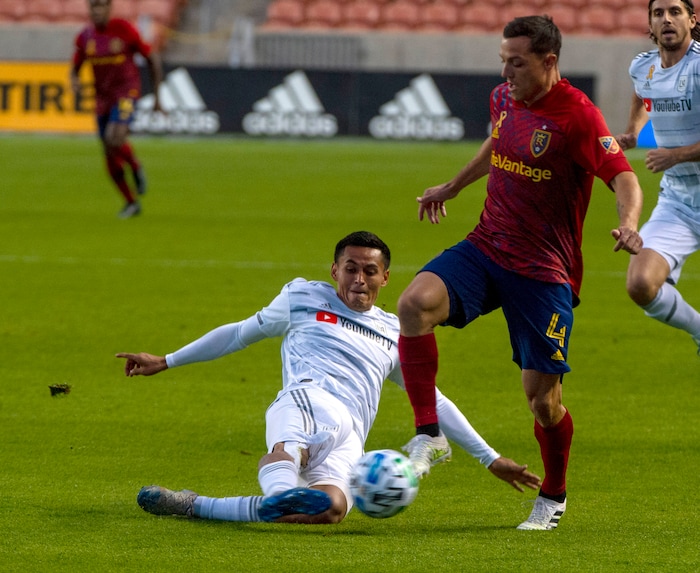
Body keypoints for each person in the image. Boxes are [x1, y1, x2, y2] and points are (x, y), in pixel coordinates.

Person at [395, 16, 645, 531]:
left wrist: (627, 223)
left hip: (542, 271)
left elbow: (623, 176)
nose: (506, 71)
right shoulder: (504, 98)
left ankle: (553, 497)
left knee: (543, 402)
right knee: (413, 303)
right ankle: (430, 434)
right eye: (502, 60)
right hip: (488, 246)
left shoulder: (578, 117)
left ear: (548, 62)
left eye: (517, 62)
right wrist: (454, 185)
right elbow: (498, 143)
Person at [117, 231, 541, 525]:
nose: (359, 279)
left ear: (385, 278)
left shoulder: (396, 331)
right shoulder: (302, 297)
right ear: (334, 270)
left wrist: (490, 458)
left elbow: (433, 399)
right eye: (350, 268)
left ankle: (200, 506)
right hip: (306, 399)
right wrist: (168, 360)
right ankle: (270, 493)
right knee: (290, 453)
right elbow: (240, 334)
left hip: (351, 434)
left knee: (332, 509)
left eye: (369, 271)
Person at [616, 0, 700, 355]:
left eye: (675, 11)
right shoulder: (643, 66)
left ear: (692, 20)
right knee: (640, 284)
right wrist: (633, 132)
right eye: (658, 13)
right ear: (650, 25)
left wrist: (676, 155)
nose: (666, 19)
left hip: (678, 171)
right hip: (679, 199)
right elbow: (641, 95)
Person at [70, 0, 162, 219]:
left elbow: (152, 59)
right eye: (93, 6)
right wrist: (74, 81)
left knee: (115, 136)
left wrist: (158, 97)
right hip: (102, 100)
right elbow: (75, 67)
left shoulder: (124, 30)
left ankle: (135, 165)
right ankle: (131, 203)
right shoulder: (85, 38)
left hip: (126, 94)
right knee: (108, 151)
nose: (97, 11)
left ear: (109, 8)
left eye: (101, 6)